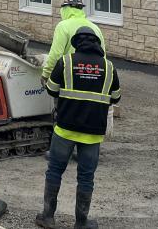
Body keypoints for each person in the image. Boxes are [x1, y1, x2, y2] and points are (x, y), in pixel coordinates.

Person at [37, 27, 120, 229]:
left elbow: (51, 90)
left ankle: (48, 217)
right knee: (86, 177)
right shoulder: (109, 67)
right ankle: (81, 223)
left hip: (65, 129)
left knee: (55, 171)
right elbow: (115, 97)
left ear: (76, 43)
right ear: (97, 44)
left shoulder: (65, 62)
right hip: (92, 134)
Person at [40, 0, 106, 82]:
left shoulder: (63, 26)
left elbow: (56, 54)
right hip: (92, 77)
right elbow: (103, 56)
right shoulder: (95, 28)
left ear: (65, 9)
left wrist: (46, 74)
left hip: (69, 77)